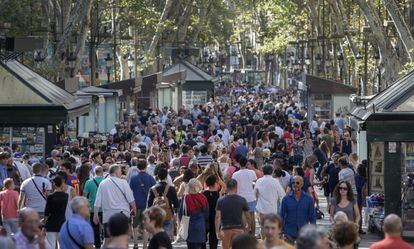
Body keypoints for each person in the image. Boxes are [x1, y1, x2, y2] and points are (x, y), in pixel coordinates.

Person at [94, 165, 136, 246]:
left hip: (108, 215)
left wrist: (95, 214)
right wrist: (134, 209)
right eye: (120, 171)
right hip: (122, 215)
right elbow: (131, 199)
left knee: (107, 240)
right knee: (123, 240)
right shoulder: (123, 183)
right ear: (116, 172)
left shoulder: (103, 183)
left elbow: (98, 200)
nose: (121, 173)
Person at [129, 159, 156, 249]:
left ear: (137, 167)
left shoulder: (133, 178)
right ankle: (145, 245)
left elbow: (130, 191)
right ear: (146, 166)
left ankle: (135, 243)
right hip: (147, 205)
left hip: (136, 205)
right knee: (146, 226)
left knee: (135, 225)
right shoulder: (150, 177)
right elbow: (154, 189)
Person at [215, 179, 250, 249]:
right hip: (239, 228)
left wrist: (217, 231)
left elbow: (217, 217)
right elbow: (248, 216)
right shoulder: (242, 200)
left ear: (227, 188)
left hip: (225, 229)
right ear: (236, 187)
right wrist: (248, 227)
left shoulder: (220, 200)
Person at [279, 176, 316, 240]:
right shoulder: (285, 199)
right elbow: (281, 216)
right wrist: (280, 232)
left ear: (302, 184)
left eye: (297, 183)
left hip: (304, 233)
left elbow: (312, 217)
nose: (295, 185)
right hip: (288, 233)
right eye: (293, 183)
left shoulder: (309, 199)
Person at [147, 166, 179, 240]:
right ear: (166, 177)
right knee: (166, 238)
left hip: (156, 215)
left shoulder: (152, 189)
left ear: (157, 177)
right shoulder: (171, 188)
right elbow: (176, 204)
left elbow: (149, 205)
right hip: (167, 214)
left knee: (156, 237)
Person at [254, 165, 285, 238]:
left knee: (262, 227)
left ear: (263, 171)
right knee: (273, 227)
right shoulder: (275, 181)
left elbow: (255, 194)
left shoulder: (259, 181)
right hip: (272, 209)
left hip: (261, 208)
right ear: (272, 171)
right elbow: (282, 194)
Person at [179, 178, 209, 249]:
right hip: (200, 226)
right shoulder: (203, 197)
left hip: (189, 227)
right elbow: (207, 213)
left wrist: (181, 222)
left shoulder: (185, 197)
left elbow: (181, 213)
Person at [231, 156, 257, 235]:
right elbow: (255, 182)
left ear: (239, 164)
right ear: (246, 163)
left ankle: (244, 232)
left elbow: (233, 185)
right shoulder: (252, 172)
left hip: (240, 197)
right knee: (252, 215)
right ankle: (252, 233)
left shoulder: (235, 174)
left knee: (242, 215)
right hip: (251, 196)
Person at [82, 166, 105, 248]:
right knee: (105, 226)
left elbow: (84, 196)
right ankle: (105, 242)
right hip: (104, 207)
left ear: (94, 172)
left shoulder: (88, 182)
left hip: (92, 207)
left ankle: (97, 245)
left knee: (95, 228)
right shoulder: (105, 181)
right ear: (102, 172)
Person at [44, 175, 68, 249]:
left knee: (50, 245)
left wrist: (44, 223)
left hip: (51, 223)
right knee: (61, 245)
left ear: (54, 184)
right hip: (62, 222)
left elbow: (47, 212)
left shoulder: (50, 197)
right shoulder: (66, 195)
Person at [201, 175, 220, 249]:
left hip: (204, 218)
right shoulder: (218, 194)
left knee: (203, 239)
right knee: (214, 240)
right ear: (215, 183)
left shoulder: (202, 193)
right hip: (214, 218)